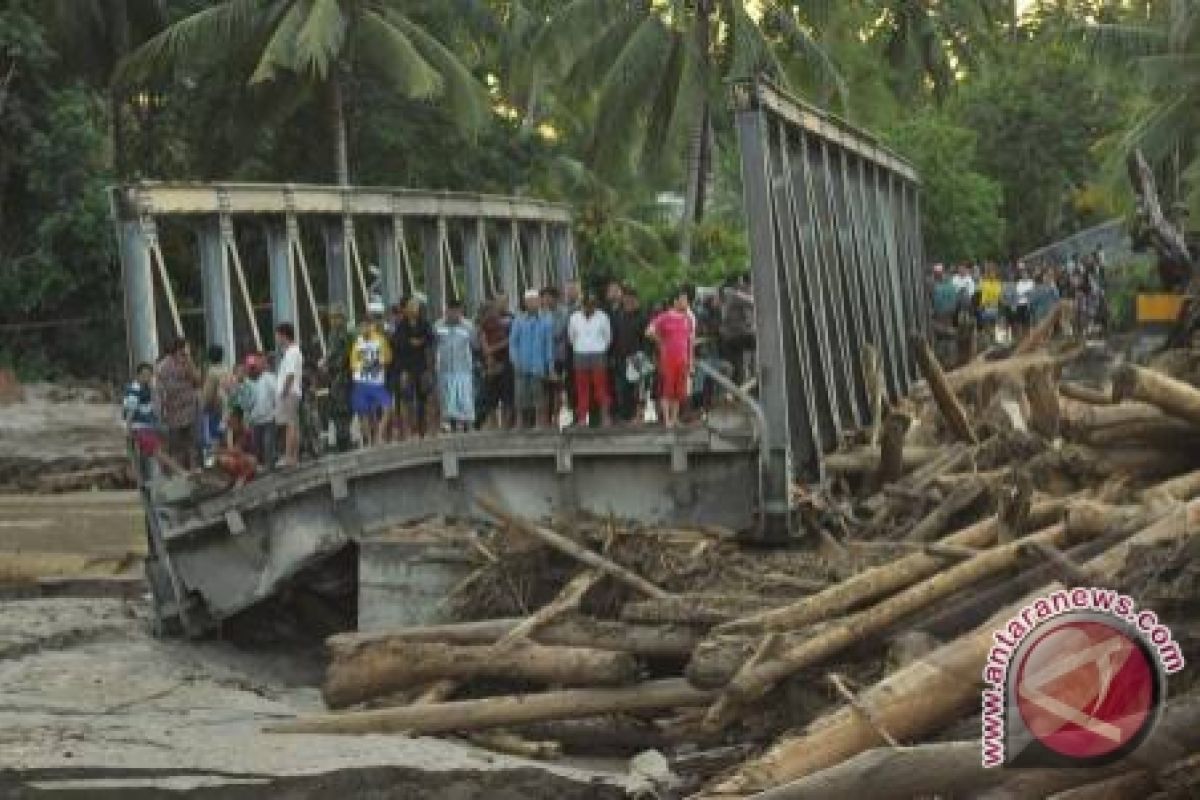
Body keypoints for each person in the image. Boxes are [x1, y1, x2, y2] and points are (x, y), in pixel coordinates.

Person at [123, 362, 186, 479]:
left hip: (148, 426)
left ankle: (160, 479)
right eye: (144, 375)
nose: (147, 378)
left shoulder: (146, 388)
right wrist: (128, 430)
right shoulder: (135, 390)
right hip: (139, 428)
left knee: (151, 452)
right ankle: (182, 473)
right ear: (138, 375)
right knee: (157, 451)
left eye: (149, 375)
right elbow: (130, 412)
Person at [646, 289, 695, 429]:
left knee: (679, 391)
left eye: (686, 300)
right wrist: (661, 341)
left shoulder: (688, 319)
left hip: (683, 359)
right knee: (667, 389)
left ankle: (675, 419)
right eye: (683, 299)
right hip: (668, 358)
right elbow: (649, 331)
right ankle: (667, 419)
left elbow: (690, 341)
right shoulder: (664, 317)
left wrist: (691, 360)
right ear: (675, 301)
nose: (685, 302)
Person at [390, 295, 435, 439]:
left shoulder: (424, 323)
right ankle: (411, 430)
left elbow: (430, 338)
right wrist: (412, 343)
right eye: (410, 307)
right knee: (407, 399)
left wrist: (419, 341)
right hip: (407, 367)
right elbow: (398, 343)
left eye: (415, 307)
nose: (413, 310)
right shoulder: (401, 325)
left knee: (424, 398)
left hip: (422, 366)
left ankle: (425, 429)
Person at [509, 289, 555, 429]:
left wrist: (550, 366)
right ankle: (520, 423)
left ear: (538, 302)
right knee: (520, 394)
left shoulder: (546, 320)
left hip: (538, 364)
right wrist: (515, 360)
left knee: (538, 394)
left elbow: (548, 345)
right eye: (529, 301)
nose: (532, 303)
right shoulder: (519, 320)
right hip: (522, 363)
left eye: (535, 300)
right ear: (525, 303)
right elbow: (513, 342)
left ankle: (538, 423)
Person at [350, 302, 394, 447]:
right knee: (366, 412)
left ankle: (378, 436)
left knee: (386, 407)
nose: (364, 328)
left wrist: (371, 365)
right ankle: (370, 440)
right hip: (362, 381)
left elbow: (387, 358)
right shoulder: (358, 342)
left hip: (376, 381)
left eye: (366, 325)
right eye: (362, 326)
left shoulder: (380, 339)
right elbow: (353, 363)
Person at [155, 337, 201, 471]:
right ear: (178, 350)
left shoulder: (188, 363)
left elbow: (197, 381)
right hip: (173, 411)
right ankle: (179, 472)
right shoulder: (163, 366)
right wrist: (161, 410)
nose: (187, 353)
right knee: (177, 446)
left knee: (192, 443)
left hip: (189, 409)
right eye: (185, 349)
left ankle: (193, 470)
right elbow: (159, 389)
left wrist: (189, 362)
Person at [568, 293, 612, 427]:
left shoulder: (603, 316)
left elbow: (608, 337)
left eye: (591, 305)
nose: (588, 308)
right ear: (582, 305)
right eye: (586, 305)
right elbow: (571, 337)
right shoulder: (574, 317)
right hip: (580, 354)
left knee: (601, 388)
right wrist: (580, 346)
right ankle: (582, 419)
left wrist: (599, 347)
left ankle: (605, 417)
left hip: (598, 354)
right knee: (582, 389)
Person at [434, 299, 477, 433]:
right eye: (451, 311)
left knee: (464, 398)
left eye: (457, 311)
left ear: (461, 311)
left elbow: (475, 345)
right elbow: (433, 345)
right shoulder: (438, 326)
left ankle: (468, 425)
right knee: (447, 399)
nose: (454, 314)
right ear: (447, 311)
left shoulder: (468, 326)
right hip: (445, 369)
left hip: (463, 368)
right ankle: (450, 425)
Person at [610, 288, 647, 423]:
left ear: (636, 300)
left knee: (638, 389)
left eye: (631, 298)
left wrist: (645, 356)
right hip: (620, 357)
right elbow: (613, 338)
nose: (628, 301)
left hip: (638, 357)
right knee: (622, 388)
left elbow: (646, 339)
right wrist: (613, 356)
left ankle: (638, 415)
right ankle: (626, 416)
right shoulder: (618, 316)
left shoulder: (642, 316)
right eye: (626, 298)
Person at [478, 300, 514, 429]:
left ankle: (506, 424)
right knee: (491, 397)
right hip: (490, 365)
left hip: (506, 362)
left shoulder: (507, 324)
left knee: (507, 396)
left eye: (491, 311)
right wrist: (489, 359)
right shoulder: (482, 327)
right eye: (485, 312)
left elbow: (510, 340)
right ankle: (493, 424)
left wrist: (493, 349)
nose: (489, 315)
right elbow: (483, 345)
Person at [323, 305, 354, 452]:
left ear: (342, 318)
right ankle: (342, 440)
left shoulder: (343, 334)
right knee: (335, 409)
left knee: (342, 409)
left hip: (342, 376)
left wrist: (330, 364)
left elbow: (343, 355)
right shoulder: (333, 334)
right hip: (334, 376)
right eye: (331, 317)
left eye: (335, 317)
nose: (332, 320)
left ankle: (344, 441)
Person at [275, 322, 303, 468]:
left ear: (283, 335)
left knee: (290, 425)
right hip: (293, 392)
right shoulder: (292, 352)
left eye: (278, 335)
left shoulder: (292, 352)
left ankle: (289, 457)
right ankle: (294, 457)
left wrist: (284, 392)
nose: (277, 339)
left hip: (289, 393)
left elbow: (290, 374)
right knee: (293, 425)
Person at [719, 274, 755, 386]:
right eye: (740, 282)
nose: (742, 284)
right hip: (736, 336)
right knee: (760, 340)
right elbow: (754, 302)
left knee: (737, 366)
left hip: (729, 337)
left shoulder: (726, 295)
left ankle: (735, 393)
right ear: (736, 283)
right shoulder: (734, 294)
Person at [244, 353, 277, 468]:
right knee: (256, 445)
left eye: (254, 367)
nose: (252, 370)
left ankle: (270, 464)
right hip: (255, 420)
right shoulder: (246, 382)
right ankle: (261, 465)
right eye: (250, 368)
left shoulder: (268, 377)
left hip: (269, 417)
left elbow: (275, 393)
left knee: (268, 443)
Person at [199, 344, 230, 465]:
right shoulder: (226, 369)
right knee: (225, 437)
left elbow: (208, 394)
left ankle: (217, 465)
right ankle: (227, 463)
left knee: (213, 438)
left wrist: (204, 407)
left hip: (215, 409)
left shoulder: (212, 372)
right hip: (226, 407)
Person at [215, 407, 257, 489]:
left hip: (248, 460)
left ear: (236, 418)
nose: (228, 419)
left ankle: (242, 477)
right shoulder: (229, 431)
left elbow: (237, 451)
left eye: (231, 417)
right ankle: (231, 478)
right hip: (237, 458)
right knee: (221, 459)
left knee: (233, 459)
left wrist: (220, 450)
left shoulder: (245, 430)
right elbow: (221, 446)